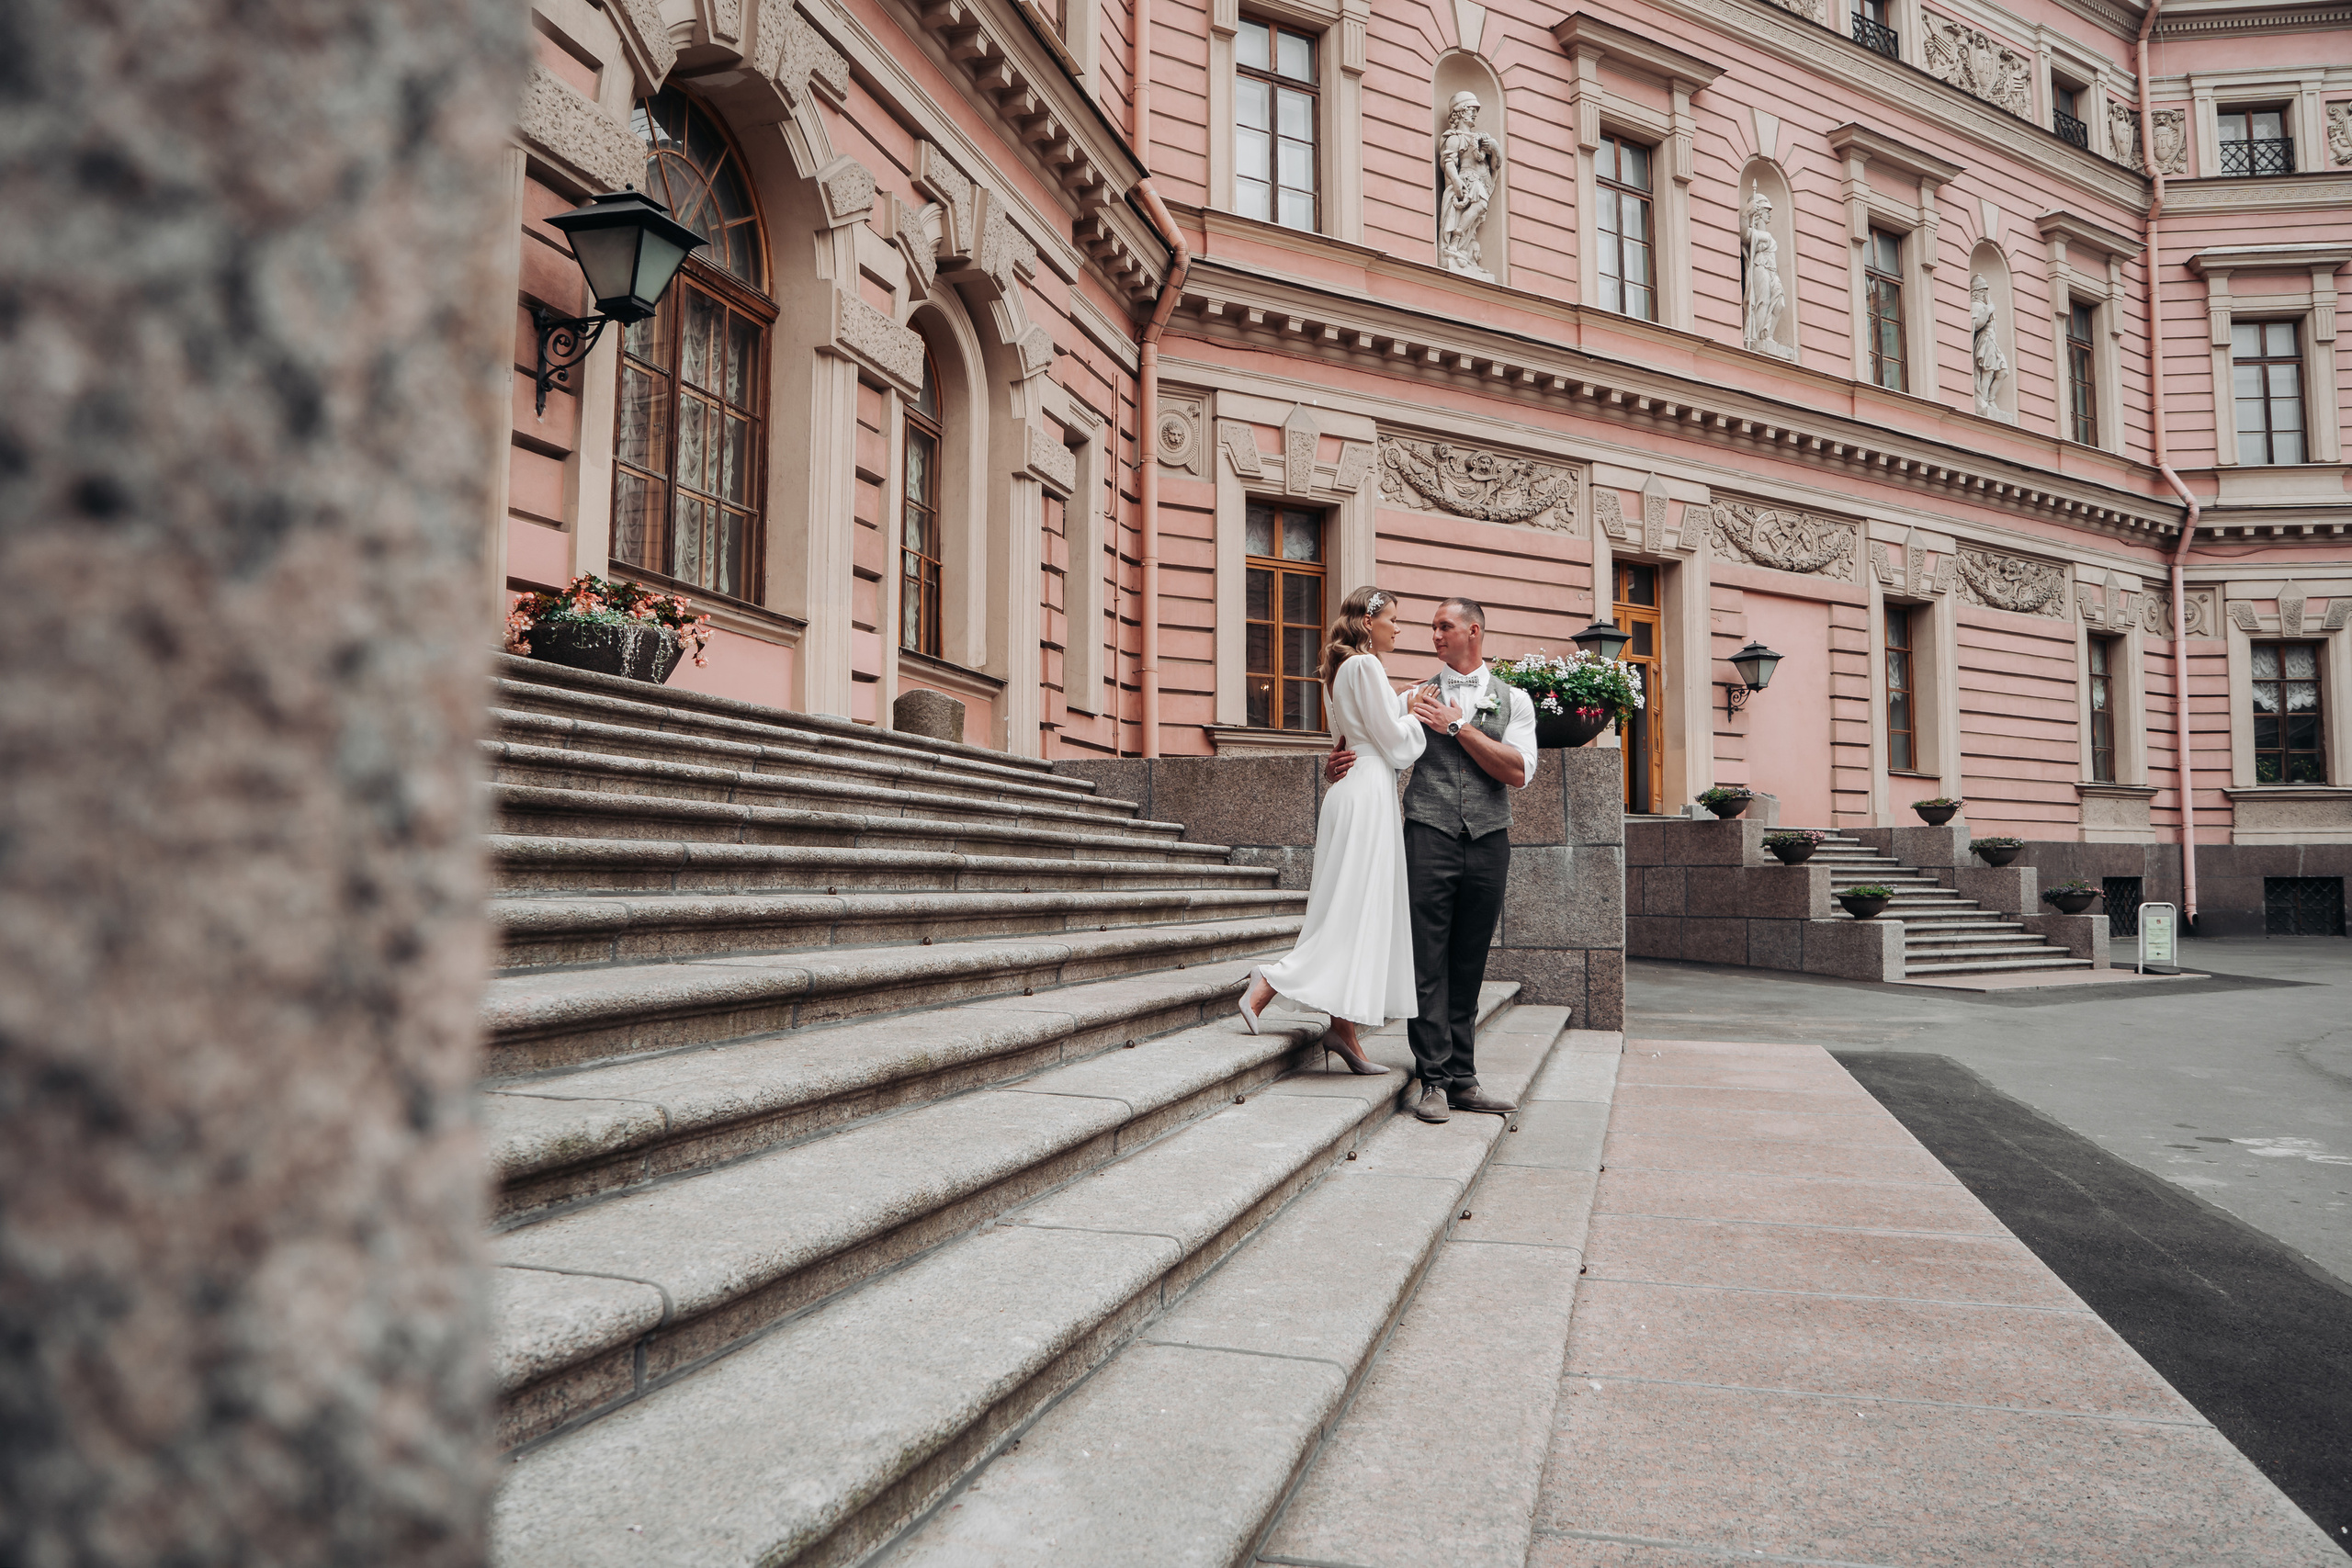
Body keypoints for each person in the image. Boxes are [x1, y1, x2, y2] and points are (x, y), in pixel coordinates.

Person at [1324, 595, 1535, 1123]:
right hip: (1427, 834)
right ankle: (1434, 1080)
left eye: (1444, 627)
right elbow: (1364, 739)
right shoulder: (1412, 695)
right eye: (1432, 627)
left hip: (1489, 839)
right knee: (1426, 961)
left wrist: (1458, 727)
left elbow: (1517, 771)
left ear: (1474, 631)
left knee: (1469, 960)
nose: (1434, 636)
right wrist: (1339, 763)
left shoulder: (1515, 700)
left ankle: (1464, 1079)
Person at [1237, 587, 1425, 1072]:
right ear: (1368, 622)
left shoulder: (1342, 669)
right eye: (1393, 619)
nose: (1398, 628)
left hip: (1355, 791)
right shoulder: (1366, 666)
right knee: (1353, 908)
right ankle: (1271, 980)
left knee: (1355, 908)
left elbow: (1360, 729)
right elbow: (1394, 744)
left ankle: (1344, 1030)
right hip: (1368, 793)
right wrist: (1419, 716)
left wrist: (1403, 699)